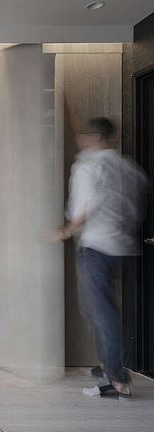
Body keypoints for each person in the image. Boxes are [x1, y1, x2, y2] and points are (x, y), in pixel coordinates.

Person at [58, 117, 148, 400]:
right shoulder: (127, 167)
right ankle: (109, 364)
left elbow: (87, 207)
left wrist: (63, 232)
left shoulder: (88, 166)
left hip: (96, 246)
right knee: (98, 309)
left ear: (94, 136)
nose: (80, 138)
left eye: (84, 133)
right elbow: (137, 203)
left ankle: (117, 378)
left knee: (102, 312)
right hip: (121, 247)